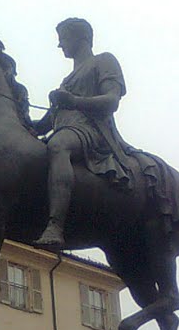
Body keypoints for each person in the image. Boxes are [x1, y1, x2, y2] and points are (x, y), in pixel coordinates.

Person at [32, 18, 139, 250]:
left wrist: (73, 100)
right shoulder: (66, 80)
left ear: (81, 38)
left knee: (58, 145)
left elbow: (112, 101)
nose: (60, 46)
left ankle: (55, 226)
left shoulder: (104, 61)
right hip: (67, 128)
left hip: (92, 132)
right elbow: (45, 124)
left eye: (64, 39)